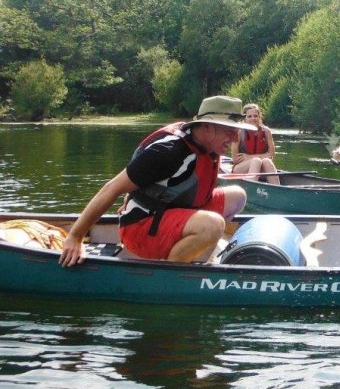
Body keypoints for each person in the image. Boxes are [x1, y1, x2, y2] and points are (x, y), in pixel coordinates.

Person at [58, 95, 256, 266]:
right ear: (207, 127)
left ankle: (197, 249)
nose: (235, 137)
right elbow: (111, 188)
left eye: (236, 130)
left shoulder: (208, 145)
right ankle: (171, 273)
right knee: (213, 225)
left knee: (238, 196)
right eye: (230, 130)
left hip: (172, 212)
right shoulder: (168, 151)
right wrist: (75, 237)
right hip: (142, 228)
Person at [230, 103, 279, 184]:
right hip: (240, 168)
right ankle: (251, 189)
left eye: (255, 116)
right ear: (244, 119)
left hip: (261, 166)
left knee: (267, 161)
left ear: (259, 117)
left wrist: (248, 157)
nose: (253, 118)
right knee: (256, 161)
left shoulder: (266, 131)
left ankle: (277, 189)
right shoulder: (239, 132)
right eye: (249, 116)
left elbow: (271, 156)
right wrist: (260, 157)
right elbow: (235, 160)